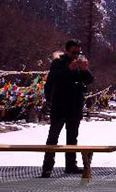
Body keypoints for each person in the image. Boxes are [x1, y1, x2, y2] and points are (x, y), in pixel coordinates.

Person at [41, 39, 94, 178]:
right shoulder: (58, 63)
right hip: (59, 105)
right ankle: (47, 167)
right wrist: (69, 69)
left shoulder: (80, 63)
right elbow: (54, 79)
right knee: (53, 137)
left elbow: (89, 80)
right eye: (73, 52)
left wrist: (84, 69)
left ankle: (71, 165)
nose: (76, 55)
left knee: (72, 137)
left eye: (78, 52)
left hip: (75, 106)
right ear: (67, 51)